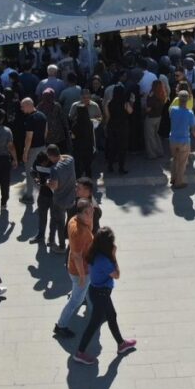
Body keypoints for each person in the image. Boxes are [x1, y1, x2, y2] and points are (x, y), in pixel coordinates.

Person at [72, 227, 137, 365]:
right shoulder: (104, 260)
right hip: (101, 294)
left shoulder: (92, 252)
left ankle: (121, 344)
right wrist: (114, 256)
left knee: (112, 316)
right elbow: (117, 275)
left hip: (96, 291)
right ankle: (80, 353)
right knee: (93, 324)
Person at [54, 198, 95, 338]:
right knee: (75, 301)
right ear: (81, 213)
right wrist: (83, 276)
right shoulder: (79, 231)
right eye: (88, 213)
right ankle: (61, 325)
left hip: (79, 267)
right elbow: (77, 256)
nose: (91, 215)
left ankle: (93, 308)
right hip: (80, 270)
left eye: (92, 212)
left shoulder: (75, 219)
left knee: (87, 289)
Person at [103, 72, 134, 174]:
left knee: (112, 147)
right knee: (122, 148)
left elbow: (107, 116)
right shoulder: (125, 103)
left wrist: (106, 126)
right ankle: (121, 167)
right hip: (123, 126)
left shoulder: (109, 103)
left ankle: (110, 166)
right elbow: (130, 112)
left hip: (112, 126)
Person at [46, 144, 75, 251]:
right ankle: (70, 242)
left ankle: (62, 246)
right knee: (71, 222)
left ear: (50, 156)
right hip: (71, 198)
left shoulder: (54, 169)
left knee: (60, 223)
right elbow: (66, 156)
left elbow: (55, 186)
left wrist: (48, 182)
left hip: (60, 200)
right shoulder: (70, 160)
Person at [168, 91, 195, 189]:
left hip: (173, 139)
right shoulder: (190, 113)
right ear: (188, 100)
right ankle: (179, 182)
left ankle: (173, 178)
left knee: (175, 159)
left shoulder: (173, 110)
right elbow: (194, 129)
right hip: (184, 141)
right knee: (182, 163)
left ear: (178, 99)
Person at [20, 98, 47, 202]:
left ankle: (29, 196)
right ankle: (44, 195)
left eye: (22, 106)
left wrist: (25, 152)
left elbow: (29, 137)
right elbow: (46, 131)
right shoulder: (42, 115)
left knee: (30, 172)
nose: (21, 109)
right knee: (41, 172)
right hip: (42, 147)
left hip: (33, 149)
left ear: (28, 105)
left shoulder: (30, 119)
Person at [68, 92, 96, 178]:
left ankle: (79, 179)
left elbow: (73, 136)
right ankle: (89, 179)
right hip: (88, 146)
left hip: (78, 148)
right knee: (88, 165)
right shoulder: (90, 123)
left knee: (78, 166)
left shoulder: (76, 125)